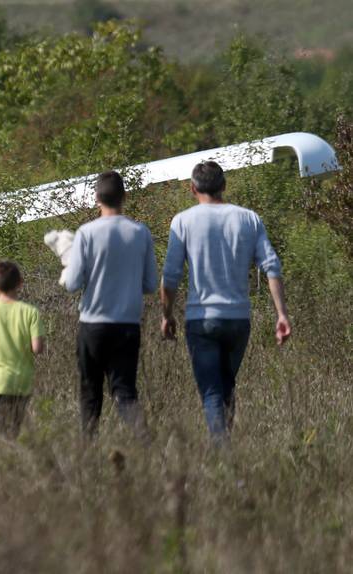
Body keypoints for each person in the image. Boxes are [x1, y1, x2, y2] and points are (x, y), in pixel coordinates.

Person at [161, 161, 291, 445]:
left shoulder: (183, 221)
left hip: (201, 319)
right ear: (224, 186)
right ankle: (226, 445)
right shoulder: (248, 219)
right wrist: (281, 314)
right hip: (238, 319)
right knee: (226, 384)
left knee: (211, 391)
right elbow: (271, 266)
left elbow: (171, 275)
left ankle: (222, 453)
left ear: (192, 188)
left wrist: (167, 314)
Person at [61, 171, 158, 439]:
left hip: (93, 324)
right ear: (124, 197)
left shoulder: (87, 233)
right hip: (127, 325)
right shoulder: (140, 233)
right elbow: (150, 284)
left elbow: (72, 283)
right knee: (125, 391)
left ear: (96, 198)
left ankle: (88, 451)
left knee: (90, 392)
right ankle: (144, 441)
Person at [0, 260, 45, 439]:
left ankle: (7, 455)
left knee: (1, 430)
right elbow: (37, 348)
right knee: (15, 427)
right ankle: (14, 453)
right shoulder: (30, 312)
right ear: (20, 283)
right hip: (21, 381)